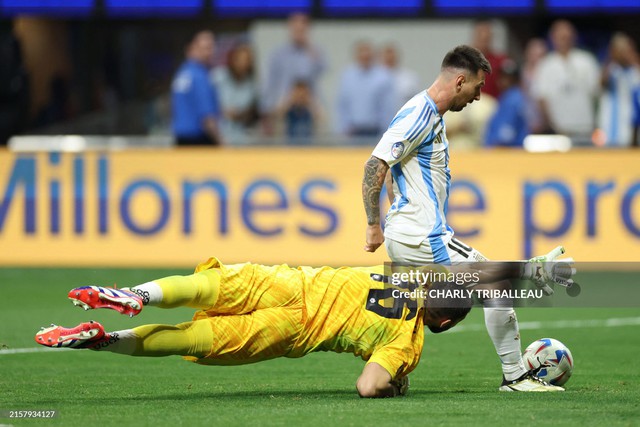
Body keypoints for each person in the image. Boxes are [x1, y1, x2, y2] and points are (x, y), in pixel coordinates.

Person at [361, 45, 565, 392]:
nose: (478, 95)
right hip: (423, 234)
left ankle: (388, 371)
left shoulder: (429, 115)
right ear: (459, 82)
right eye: (477, 87)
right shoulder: (419, 114)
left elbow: (394, 170)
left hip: (410, 232)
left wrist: (394, 211)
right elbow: (374, 165)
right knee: (494, 282)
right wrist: (373, 225)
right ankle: (515, 376)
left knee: (431, 309)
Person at [35, 257, 477, 398]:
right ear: (446, 320)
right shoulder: (408, 341)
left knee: (205, 287)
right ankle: (105, 341)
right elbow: (367, 385)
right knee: (193, 338)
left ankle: (136, 294)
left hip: (291, 281)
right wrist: (394, 382)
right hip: (293, 328)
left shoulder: (407, 274)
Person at [530, 20, 600, 144]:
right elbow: (541, 98)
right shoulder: (545, 65)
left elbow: (597, 94)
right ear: (552, 38)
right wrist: (552, 126)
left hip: (586, 129)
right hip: (559, 131)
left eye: (567, 37)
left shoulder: (586, 61)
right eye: (561, 37)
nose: (564, 40)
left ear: (574, 37)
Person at [261, 13, 327, 135]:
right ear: (290, 29)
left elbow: (322, 70)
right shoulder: (279, 54)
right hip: (284, 107)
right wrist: (269, 109)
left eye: (302, 29)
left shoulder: (314, 53)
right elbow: (271, 83)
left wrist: (309, 48)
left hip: (308, 107)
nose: (299, 32)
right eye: (296, 29)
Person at [171, 30, 223, 146]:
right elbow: (207, 117)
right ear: (192, 48)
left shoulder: (182, 73)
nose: (210, 52)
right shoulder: (200, 76)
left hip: (181, 138)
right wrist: (221, 142)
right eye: (206, 48)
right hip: (199, 140)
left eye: (212, 48)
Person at [336, 41, 395, 137]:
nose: (365, 56)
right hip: (352, 131)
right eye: (361, 52)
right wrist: (342, 128)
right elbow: (342, 104)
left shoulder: (383, 76)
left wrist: (387, 132)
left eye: (367, 53)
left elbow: (387, 107)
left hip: (376, 130)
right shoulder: (347, 76)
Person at [597, 33, 640, 147]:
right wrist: (612, 57)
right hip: (609, 127)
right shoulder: (611, 68)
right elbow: (601, 83)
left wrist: (632, 58)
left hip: (631, 127)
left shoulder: (635, 70)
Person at [211, 42, 259, 145]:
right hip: (216, 136)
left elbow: (253, 113)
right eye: (240, 59)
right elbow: (206, 103)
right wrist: (221, 111)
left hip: (240, 138)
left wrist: (240, 115)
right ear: (232, 59)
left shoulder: (251, 85)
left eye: (246, 60)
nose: (243, 63)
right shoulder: (217, 77)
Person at [485, 60, 529, 147]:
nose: (502, 81)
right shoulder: (506, 96)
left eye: (507, 78)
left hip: (507, 153)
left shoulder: (513, 99)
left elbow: (504, 136)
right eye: (502, 77)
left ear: (515, 79)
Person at [471, 20, 508, 99]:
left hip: (493, 104)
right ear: (475, 38)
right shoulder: (464, 60)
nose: (483, 43)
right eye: (481, 39)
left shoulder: (500, 61)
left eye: (486, 39)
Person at [380, 43, 420, 113]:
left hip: (404, 118)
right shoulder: (374, 80)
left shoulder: (409, 78)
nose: (390, 59)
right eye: (386, 57)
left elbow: (416, 101)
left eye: (392, 56)